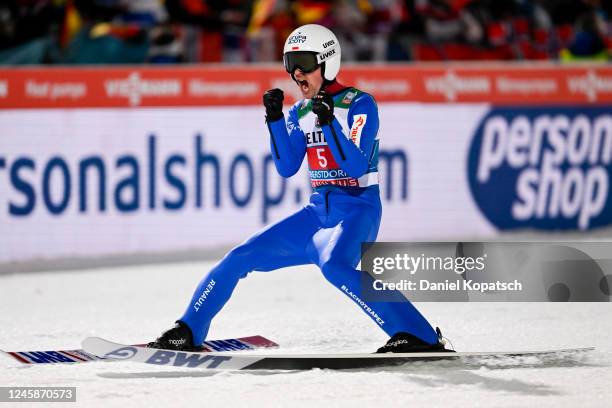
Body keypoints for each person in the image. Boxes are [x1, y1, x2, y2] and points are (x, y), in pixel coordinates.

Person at [148, 24, 451, 353]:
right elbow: (287, 166)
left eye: (304, 63)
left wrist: (329, 121)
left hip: (357, 209)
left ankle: (418, 333)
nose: (296, 73)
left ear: (327, 63)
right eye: (290, 64)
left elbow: (356, 166)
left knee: (336, 267)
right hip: (316, 213)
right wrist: (276, 119)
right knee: (239, 257)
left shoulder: (360, 103)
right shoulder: (300, 110)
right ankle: (189, 329)